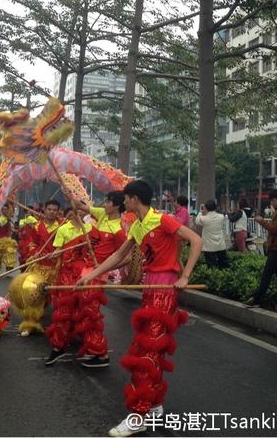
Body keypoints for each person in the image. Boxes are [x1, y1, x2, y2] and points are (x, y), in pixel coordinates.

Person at [77, 180, 203, 437]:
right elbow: (119, 257)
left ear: (134, 199)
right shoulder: (137, 225)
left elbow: (196, 241)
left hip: (165, 289)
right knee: (151, 348)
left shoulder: (163, 220)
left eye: (126, 198)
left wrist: (185, 276)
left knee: (147, 351)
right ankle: (154, 403)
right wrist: (92, 275)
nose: (124, 202)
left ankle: (139, 416)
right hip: (150, 289)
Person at [44, 206, 112, 368]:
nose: (78, 214)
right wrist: (56, 253)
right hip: (67, 275)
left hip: (84, 274)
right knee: (63, 311)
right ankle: (58, 346)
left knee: (87, 312)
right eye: (74, 212)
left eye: (81, 211)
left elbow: (97, 251)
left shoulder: (91, 229)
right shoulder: (63, 229)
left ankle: (96, 350)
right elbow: (58, 250)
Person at [17, 200, 62, 337]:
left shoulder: (63, 226)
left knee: (55, 298)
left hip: (56, 268)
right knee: (34, 296)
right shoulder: (36, 227)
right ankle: (30, 324)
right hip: (39, 266)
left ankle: (59, 327)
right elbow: (30, 242)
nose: (52, 212)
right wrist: (35, 252)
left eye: (55, 210)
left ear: (58, 212)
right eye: (49, 209)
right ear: (44, 210)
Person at [244, 189, 277, 308]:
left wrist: (262, 221)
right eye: (271, 200)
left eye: (274, 200)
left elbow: (275, 229)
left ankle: (257, 298)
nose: (272, 203)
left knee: (267, 274)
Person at [194, 199, 229, 268]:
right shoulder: (221, 217)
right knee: (224, 265)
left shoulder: (204, 219)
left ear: (206, 208)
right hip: (220, 244)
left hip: (209, 246)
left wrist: (201, 212)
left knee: (212, 266)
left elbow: (197, 221)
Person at [0, 202, 17, 275]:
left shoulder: (9, 219)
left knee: (10, 250)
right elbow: (0, 225)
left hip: (7, 239)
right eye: (3, 209)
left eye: (6, 209)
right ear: (1, 210)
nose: (5, 211)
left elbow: (10, 229)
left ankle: (9, 266)